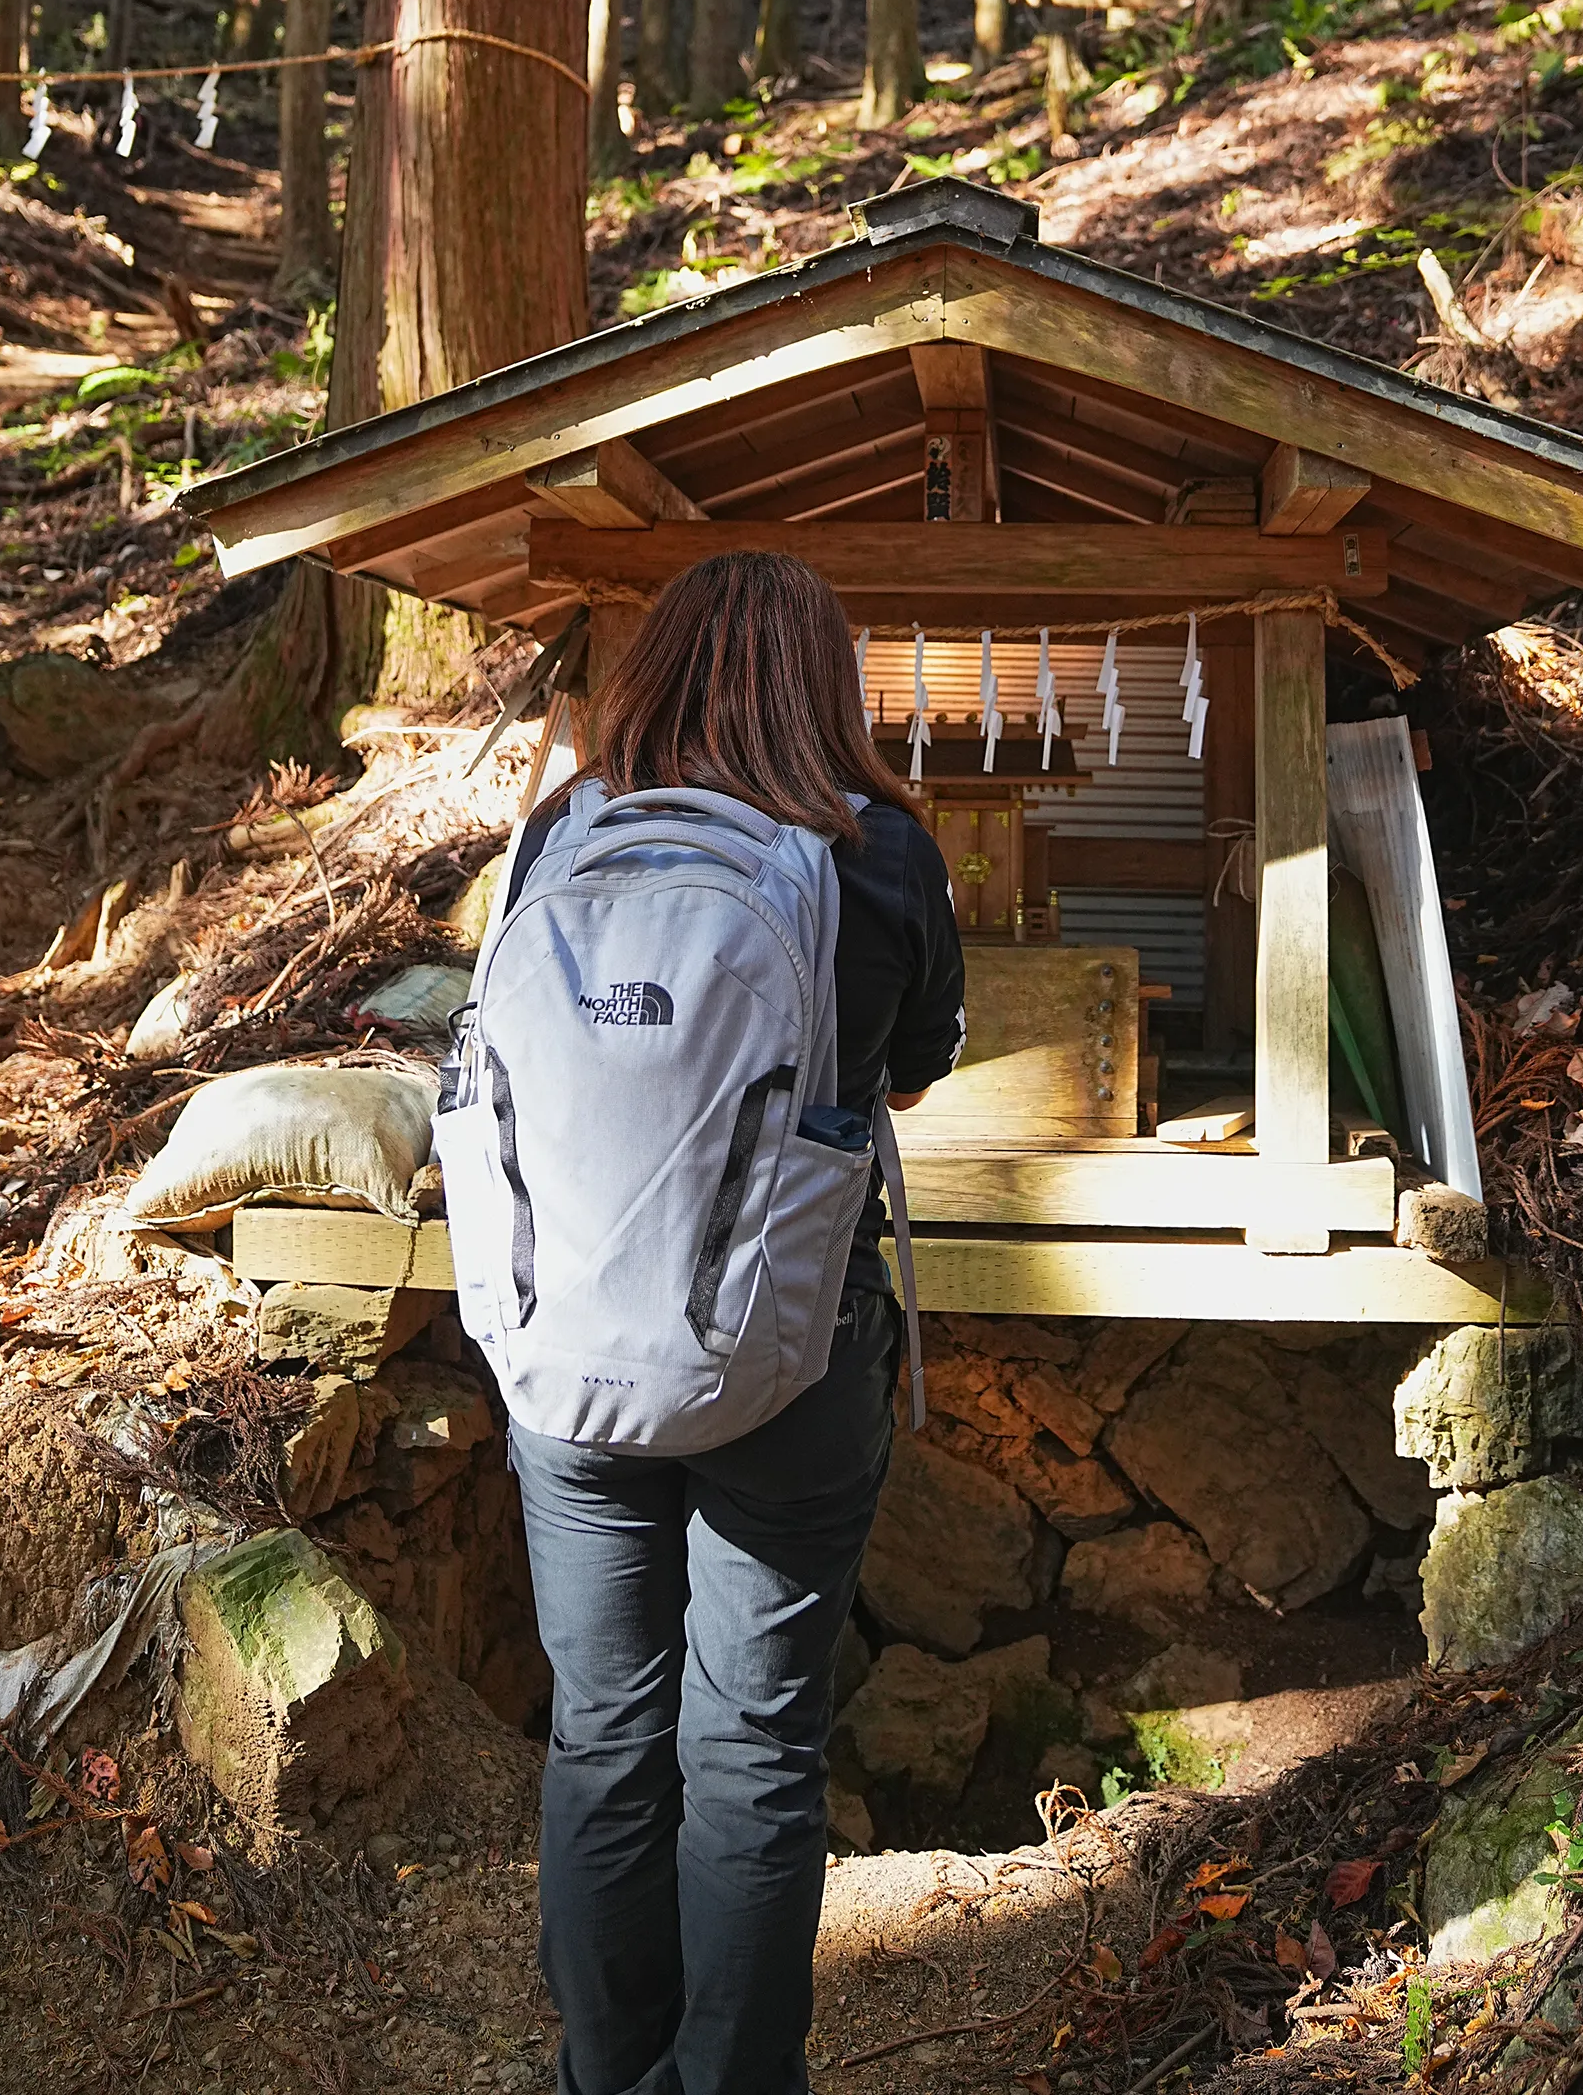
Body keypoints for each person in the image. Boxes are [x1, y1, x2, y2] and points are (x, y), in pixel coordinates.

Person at [505, 551, 965, 2095]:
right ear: (828, 687)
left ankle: (605, 2073)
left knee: (600, 1738)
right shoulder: (878, 853)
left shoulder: (550, 838)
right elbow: (911, 1072)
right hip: (787, 1362)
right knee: (753, 1750)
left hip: (566, 1363)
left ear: (657, 671)